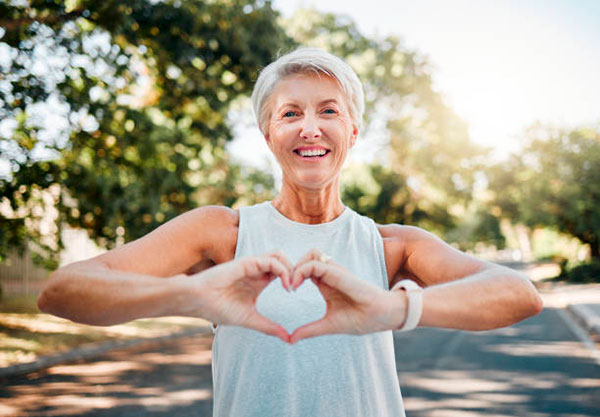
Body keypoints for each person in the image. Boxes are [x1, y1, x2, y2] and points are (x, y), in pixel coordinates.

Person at [37, 47, 543, 417]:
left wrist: (395, 307)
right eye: (290, 114)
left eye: (329, 111)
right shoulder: (222, 233)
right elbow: (61, 292)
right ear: (267, 134)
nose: (310, 127)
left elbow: (518, 294)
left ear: (352, 132)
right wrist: (190, 295)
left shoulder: (391, 246)